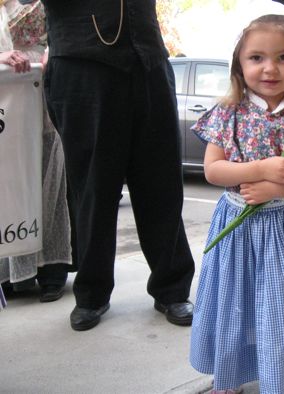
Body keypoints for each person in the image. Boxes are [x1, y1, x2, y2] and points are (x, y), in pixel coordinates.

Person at [189, 2, 284, 393]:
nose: (270, 68)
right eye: (256, 57)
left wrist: (279, 188)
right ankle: (231, 372)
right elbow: (214, 170)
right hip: (238, 228)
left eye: (283, 57)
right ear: (238, 63)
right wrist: (260, 170)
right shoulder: (229, 111)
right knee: (236, 301)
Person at [40, 0, 195, 331]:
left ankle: (172, 288)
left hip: (149, 60)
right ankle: (92, 293)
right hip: (81, 65)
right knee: (93, 187)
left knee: (162, 184)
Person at [0, 0, 71, 303]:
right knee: (10, 185)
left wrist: (53, 50)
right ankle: (10, 271)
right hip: (8, 100)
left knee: (50, 179)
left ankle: (51, 270)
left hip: (45, 93)